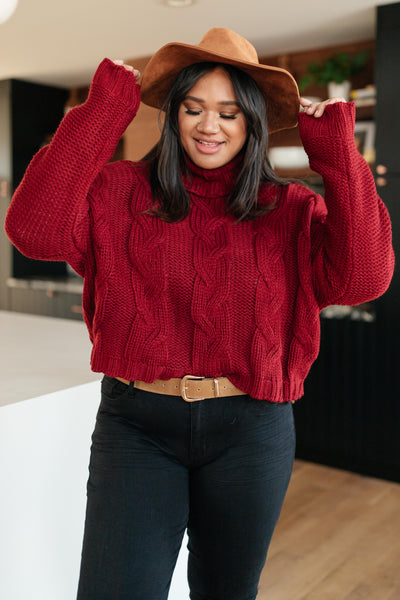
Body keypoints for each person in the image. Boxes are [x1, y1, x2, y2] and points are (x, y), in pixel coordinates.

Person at [5, 27, 394, 600]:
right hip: (136, 422)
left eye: (230, 113)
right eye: (193, 108)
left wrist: (335, 153)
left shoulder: (289, 209)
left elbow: (364, 278)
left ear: (253, 124)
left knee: (226, 592)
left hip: (252, 428)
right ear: (174, 115)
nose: (209, 126)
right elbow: (32, 232)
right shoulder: (119, 192)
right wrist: (102, 111)